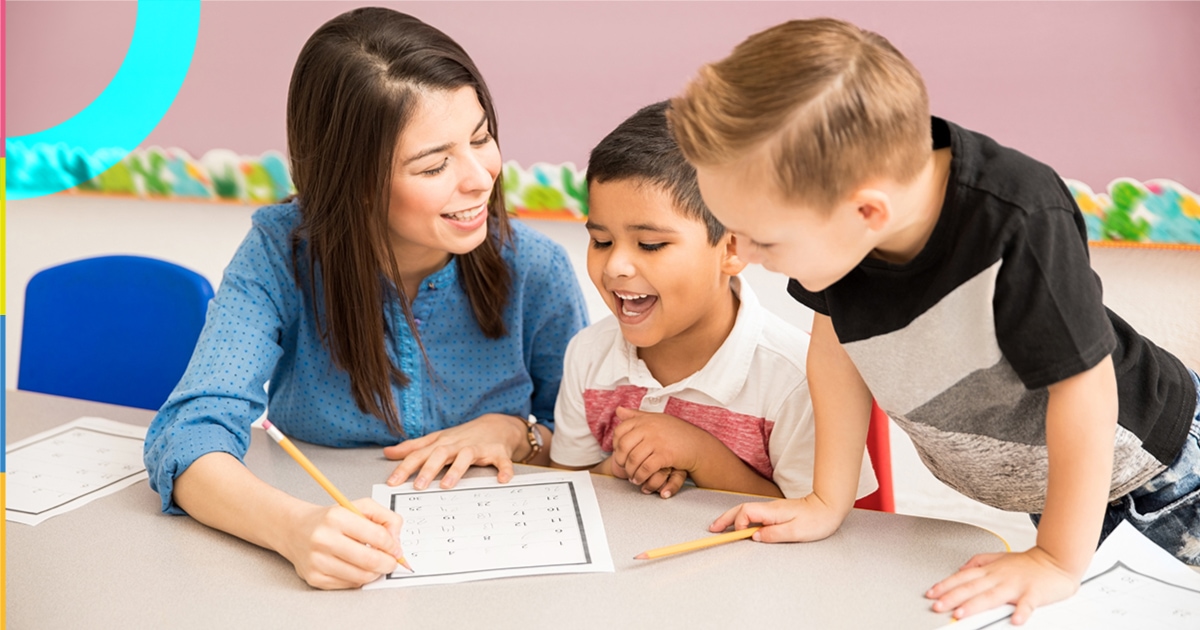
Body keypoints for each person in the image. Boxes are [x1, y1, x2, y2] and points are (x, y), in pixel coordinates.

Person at [668, 18, 1199, 625]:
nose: (744, 256)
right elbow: (837, 350)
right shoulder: (838, 229)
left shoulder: (1018, 217)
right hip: (1059, 492)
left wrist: (1054, 557)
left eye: (761, 240)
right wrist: (826, 500)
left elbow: (1085, 391)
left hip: (1160, 474)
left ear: (868, 211)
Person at [142, 7, 588, 590]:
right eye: (434, 165)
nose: (481, 176)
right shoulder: (280, 253)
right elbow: (188, 434)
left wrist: (515, 433)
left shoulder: (536, 266)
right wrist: (293, 529)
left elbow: (586, 443)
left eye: (481, 137)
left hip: (505, 573)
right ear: (350, 178)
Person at [550, 101, 876, 501]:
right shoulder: (588, 355)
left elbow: (822, 522)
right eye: (601, 241)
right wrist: (617, 467)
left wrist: (703, 457)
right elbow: (566, 486)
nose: (615, 265)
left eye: (650, 245)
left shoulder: (795, 380)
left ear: (732, 248)